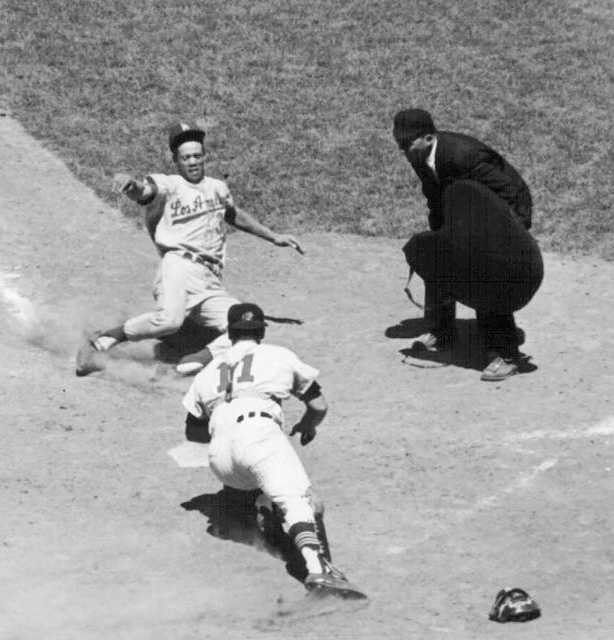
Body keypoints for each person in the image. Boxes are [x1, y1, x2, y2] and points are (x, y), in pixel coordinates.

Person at [75, 121, 304, 377]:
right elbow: (145, 192)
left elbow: (234, 215)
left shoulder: (217, 187)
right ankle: (100, 342)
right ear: (176, 160)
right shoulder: (169, 185)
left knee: (246, 326)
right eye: (186, 158)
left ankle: (183, 364)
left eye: (197, 155)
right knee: (169, 320)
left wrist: (273, 237)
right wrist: (132, 185)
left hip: (210, 281)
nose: (193, 162)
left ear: (204, 156)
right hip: (178, 268)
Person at [181, 302, 366, 599]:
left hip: (221, 459)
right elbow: (319, 406)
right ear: (262, 330)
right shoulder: (278, 355)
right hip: (258, 438)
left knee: (262, 487)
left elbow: (192, 432)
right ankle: (319, 571)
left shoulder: (209, 370)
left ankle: (260, 508)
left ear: (229, 333)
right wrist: (308, 426)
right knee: (303, 502)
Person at [392, 108, 543, 382]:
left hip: (506, 219)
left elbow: (508, 192)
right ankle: (442, 329)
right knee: (438, 257)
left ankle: (506, 355)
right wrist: (443, 234)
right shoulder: (419, 154)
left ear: (427, 137)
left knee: (486, 275)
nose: (403, 150)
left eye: (406, 143)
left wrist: (498, 240)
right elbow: (435, 196)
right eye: (399, 144)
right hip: (465, 217)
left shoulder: (464, 156)